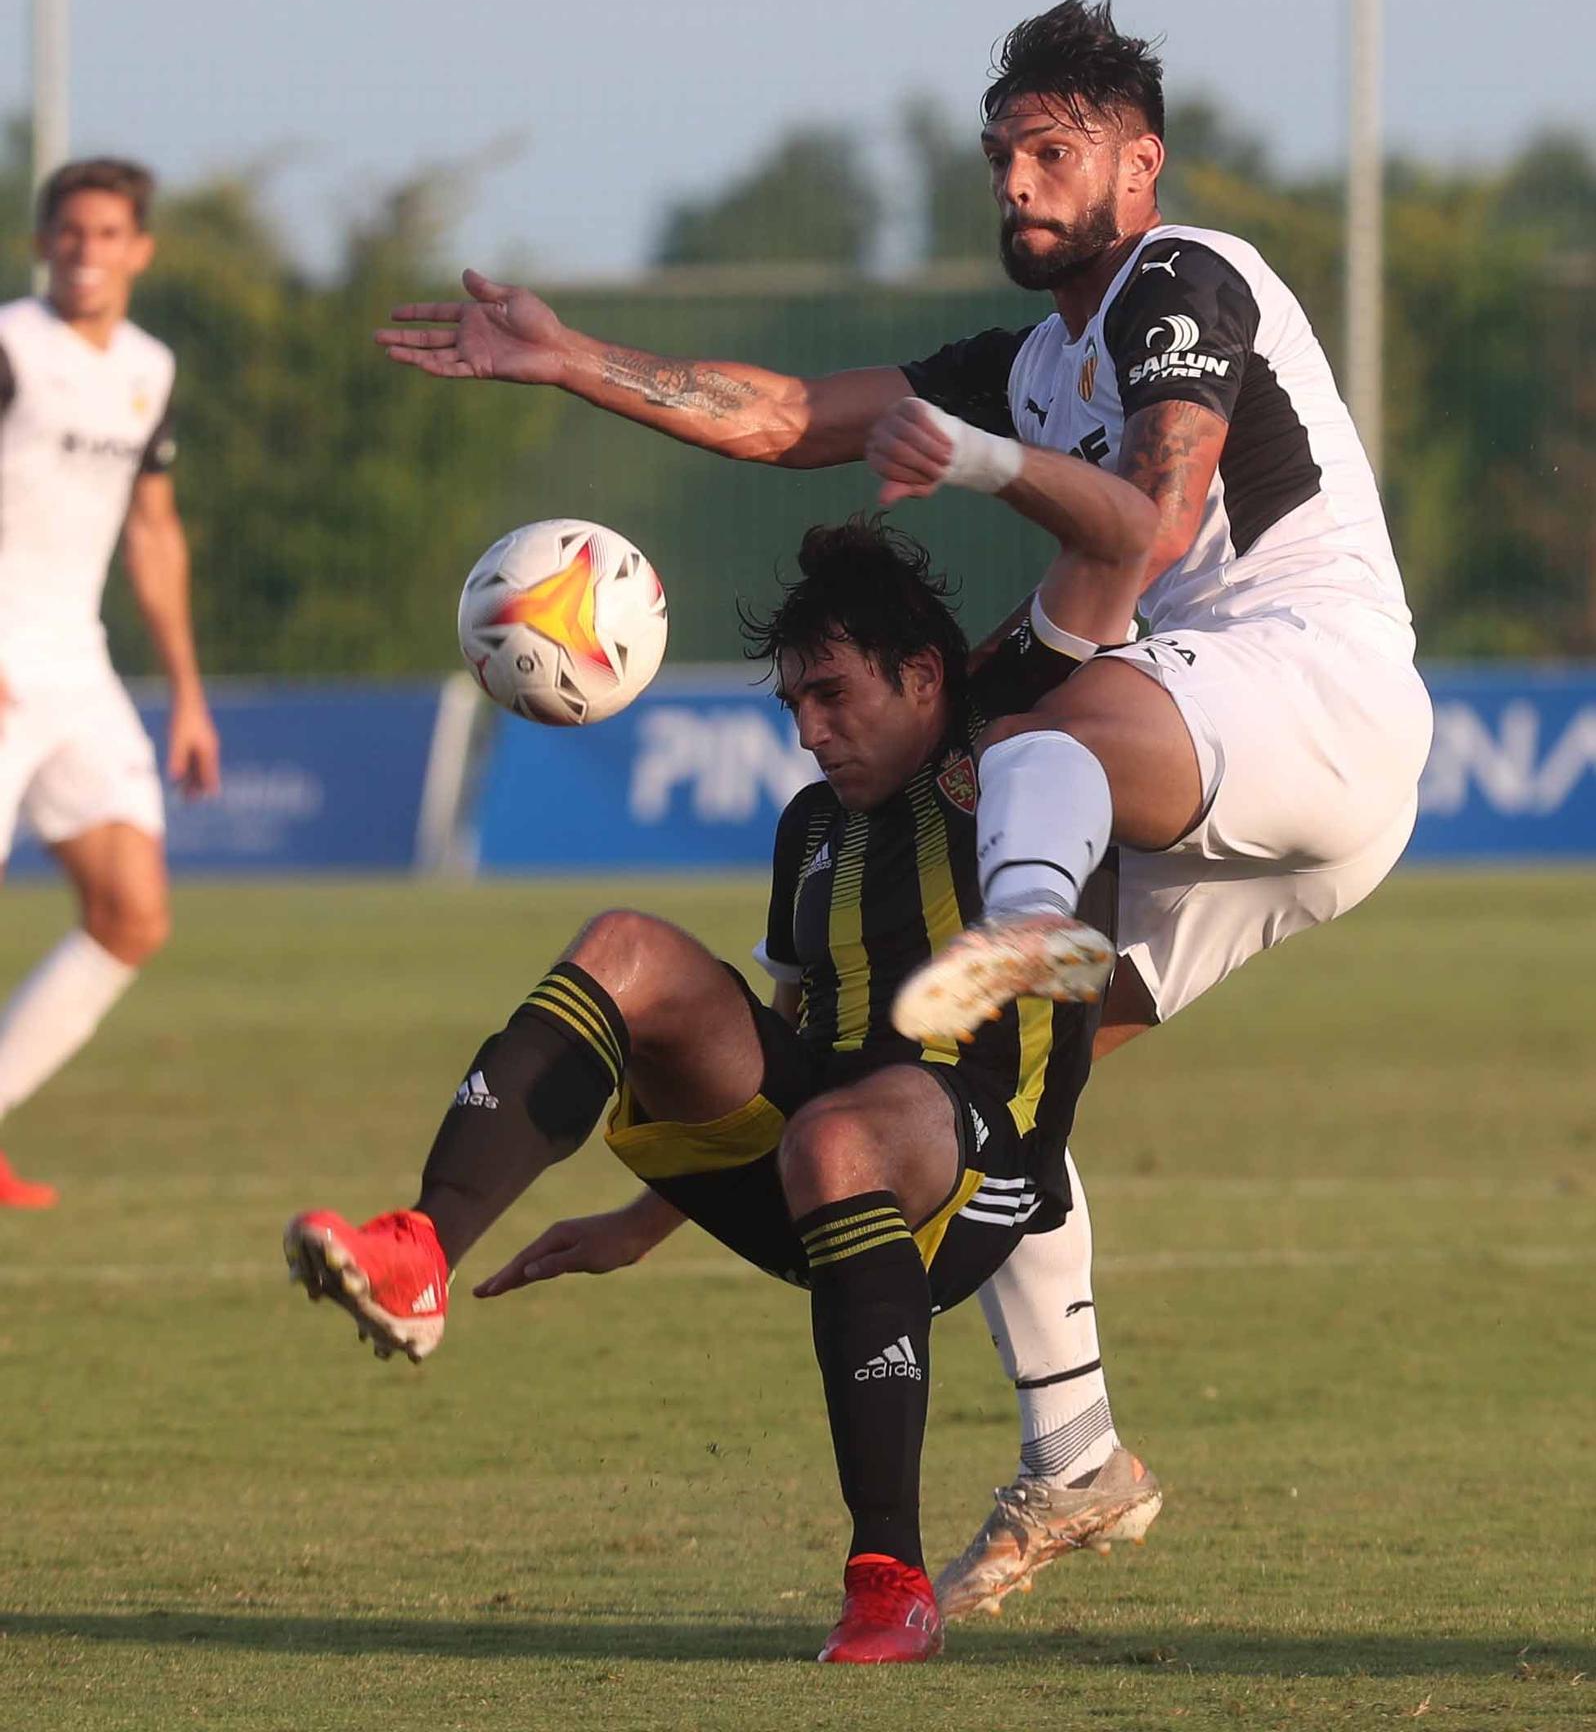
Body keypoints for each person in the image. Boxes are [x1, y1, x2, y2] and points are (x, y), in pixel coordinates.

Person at [373, 0, 1432, 1616]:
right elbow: (797, 418)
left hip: (1306, 693)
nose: (1017, 179)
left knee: (1018, 760)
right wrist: (573, 359)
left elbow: (1158, 518)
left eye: (1053, 151)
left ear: (1138, 167)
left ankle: (1009, 912)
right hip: (1234, 780)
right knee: (1002, 1082)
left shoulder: (1178, 282)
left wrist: (999, 664)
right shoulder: (1026, 360)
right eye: (1002, 152)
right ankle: (1077, 1457)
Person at [286, 466, 1157, 1665]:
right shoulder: (811, 829)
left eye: (833, 694)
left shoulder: (1007, 757)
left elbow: (1114, 557)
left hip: (979, 1171)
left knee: (838, 1133)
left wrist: (970, 446)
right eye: (795, 700)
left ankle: (889, 1579)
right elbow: (789, 1032)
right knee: (628, 946)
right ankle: (422, 1249)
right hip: (825, 1143)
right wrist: (645, 1221)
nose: (808, 727)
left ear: (922, 677)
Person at [0, 159, 220, 1207]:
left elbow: (152, 529)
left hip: (76, 666)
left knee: (132, 912)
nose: (86, 250)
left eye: (106, 233)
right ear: (41, 241)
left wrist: (185, 692)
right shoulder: (10, 348)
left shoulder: (149, 366)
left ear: (139, 249)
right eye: (68, 232)